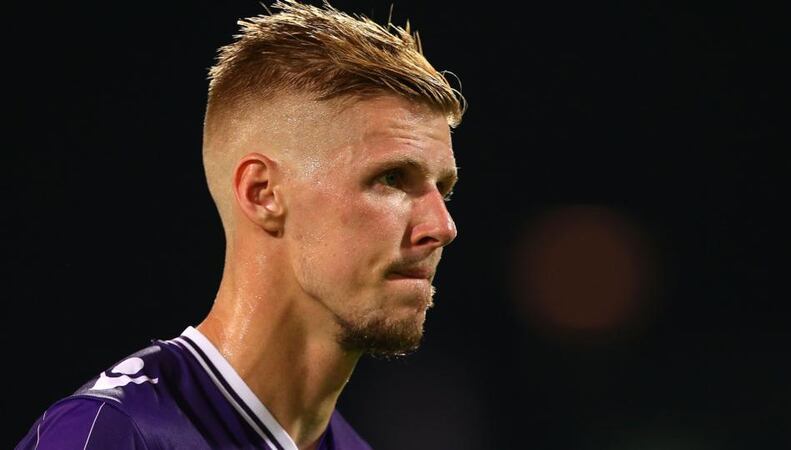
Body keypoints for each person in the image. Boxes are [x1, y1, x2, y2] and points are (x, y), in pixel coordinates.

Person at [16, 1, 465, 449]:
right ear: (262, 193)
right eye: (391, 178)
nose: (442, 227)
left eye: (442, 189)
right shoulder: (108, 433)